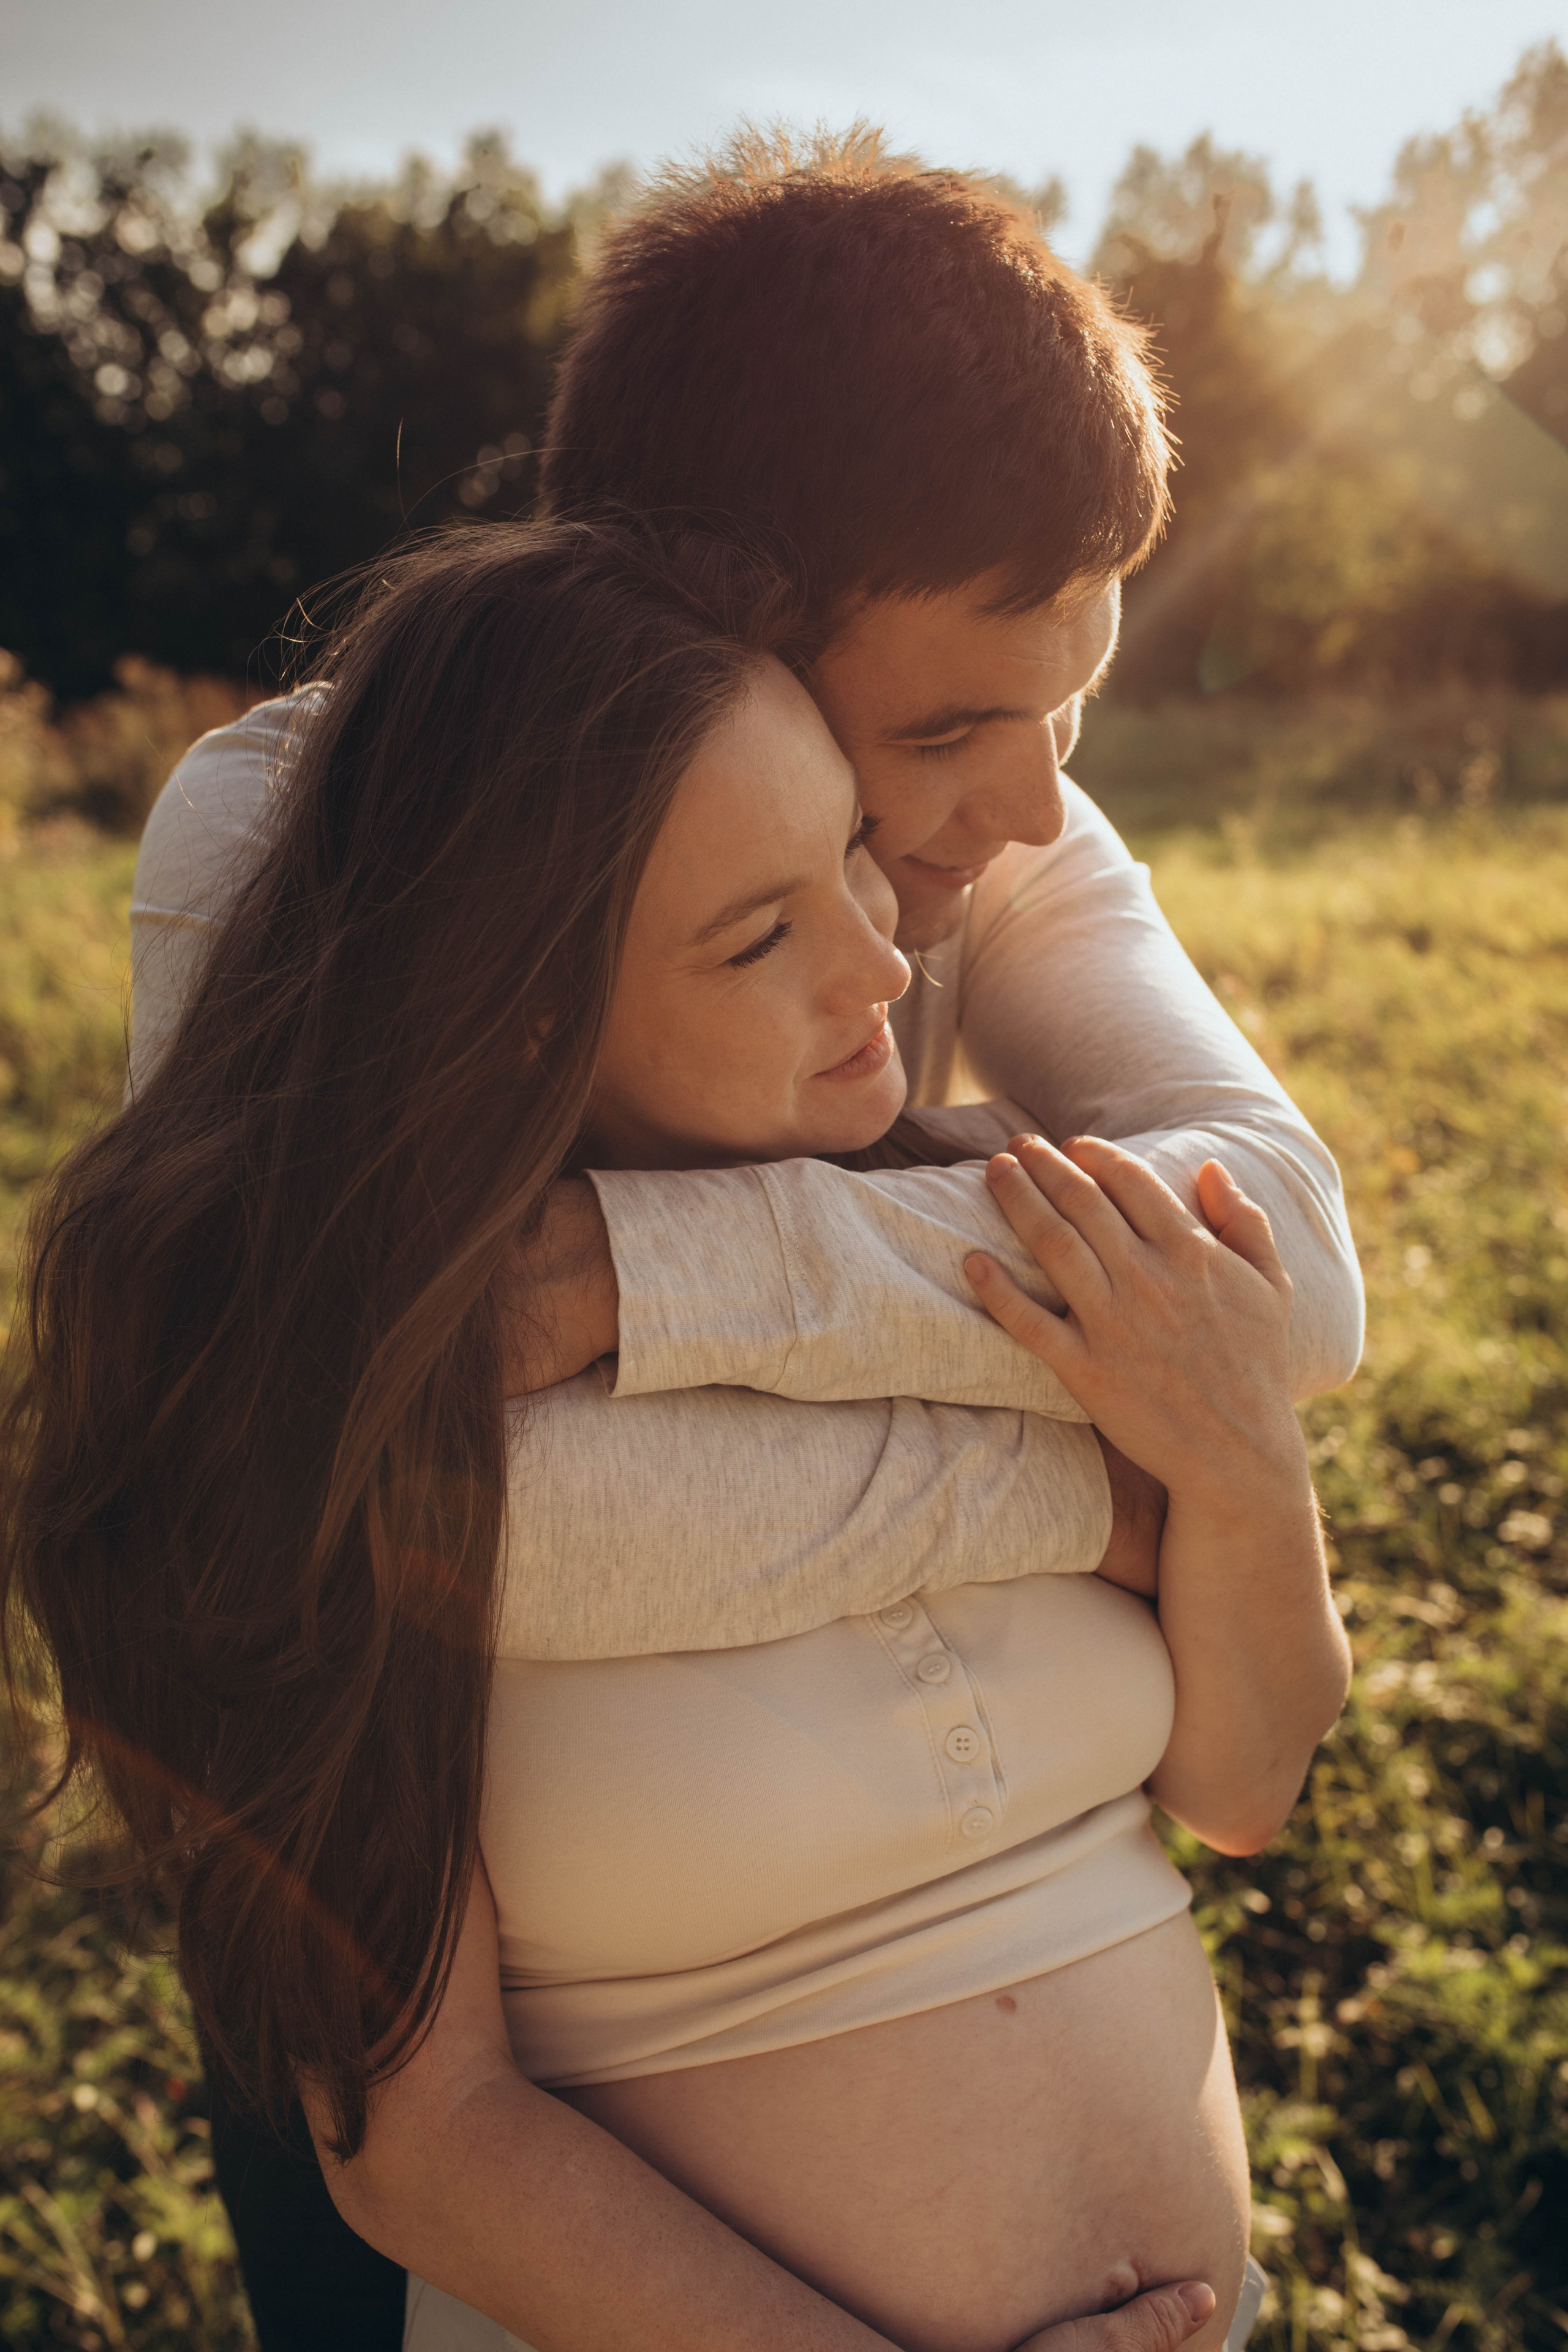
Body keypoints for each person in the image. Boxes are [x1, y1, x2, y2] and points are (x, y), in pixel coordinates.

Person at [6, 518, 1351, 2352]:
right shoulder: (390, 1440)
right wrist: (1100, 1501)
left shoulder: (982, 1239)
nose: (885, 972)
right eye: (756, 938)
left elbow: (1245, 1783)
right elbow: (419, 2146)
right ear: (528, 1021)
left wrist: (1240, 1463)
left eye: (850, 859)